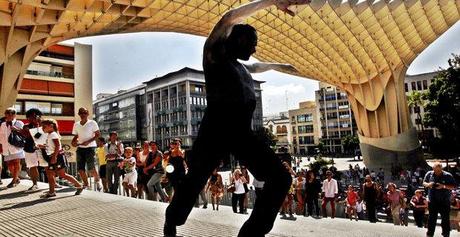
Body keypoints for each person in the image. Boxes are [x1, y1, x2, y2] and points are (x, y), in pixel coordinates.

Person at [163, 0, 308, 235]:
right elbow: (227, 18)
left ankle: (251, 233)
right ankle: (172, 220)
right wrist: (272, 1)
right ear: (236, 39)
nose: (254, 49)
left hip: (241, 132)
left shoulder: (241, 67)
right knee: (196, 179)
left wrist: (280, 66)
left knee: (281, 178)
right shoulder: (213, 55)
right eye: (252, 43)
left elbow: (258, 66)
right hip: (216, 129)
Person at [39, 119, 83, 198]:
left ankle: (79, 185)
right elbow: (52, 146)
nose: (42, 128)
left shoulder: (53, 134)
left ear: (51, 126)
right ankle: (52, 192)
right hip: (53, 156)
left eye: (44, 126)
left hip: (57, 156)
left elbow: (57, 146)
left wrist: (54, 157)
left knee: (61, 174)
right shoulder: (50, 134)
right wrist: (43, 147)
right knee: (50, 174)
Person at [71, 107, 101, 190]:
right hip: (80, 147)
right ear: (79, 114)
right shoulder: (76, 124)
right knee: (80, 169)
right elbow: (76, 136)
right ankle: (86, 184)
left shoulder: (92, 123)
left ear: (87, 114)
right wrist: (73, 142)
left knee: (91, 167)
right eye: (81, 113)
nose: (83, 114)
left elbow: (98, 134)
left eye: (84, 113)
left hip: (90, 147)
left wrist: (88, 141)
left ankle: (97, 180)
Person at [423, 162, 457, 237]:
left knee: (445, 219)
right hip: (432, 200)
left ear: (442, 169)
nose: (437, 172)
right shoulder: (429, 174)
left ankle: (446, 234)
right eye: (435, 170)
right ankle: (429, 234)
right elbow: (424, 183)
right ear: (433, 168)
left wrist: (443, 186)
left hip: (444, 201)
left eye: (438, 170)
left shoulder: (448, 175)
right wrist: (429, 184)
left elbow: (454, 186)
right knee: (431, 219)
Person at [21, 108, 45, 191]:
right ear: (28, 117)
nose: (34, 118)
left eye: (36, 116)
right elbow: (32, 136)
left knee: (48, 166)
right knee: (32, 166)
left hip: (43, 148)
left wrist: (40, 125)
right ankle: (35, 184)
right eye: (31, 116)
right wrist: (37, 126)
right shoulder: (26, 126)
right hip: (30, 148)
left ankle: (54, 183)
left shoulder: (45, 125)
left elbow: (45, 135)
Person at [0, 107, 25, 188]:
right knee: (10, 165)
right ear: (5, 115)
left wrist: (16, 129)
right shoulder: (3, 124)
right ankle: (16, 178)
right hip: (6, 147)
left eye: (12, 113)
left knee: (16, 163)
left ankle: (13, 181)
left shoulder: (19, 123)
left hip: (16, 146)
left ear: (15, 115)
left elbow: (24, 133)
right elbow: (1, 136)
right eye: (8, 113)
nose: (10, 115)